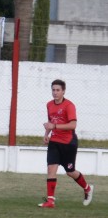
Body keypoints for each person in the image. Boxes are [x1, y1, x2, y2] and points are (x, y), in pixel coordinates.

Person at [39, 79, 94, 208]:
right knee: (51, 169)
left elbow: (73, 124)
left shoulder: (69, 105)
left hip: (68, 142)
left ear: (63, 91)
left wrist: (55, 126)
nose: (55, 93)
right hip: (54, 142)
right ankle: (50, 201)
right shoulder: (49, 105)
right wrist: (46, 134)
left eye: (58, 90)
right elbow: (50, 122)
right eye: (53, 90)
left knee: (70, 171)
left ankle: (87, 189)